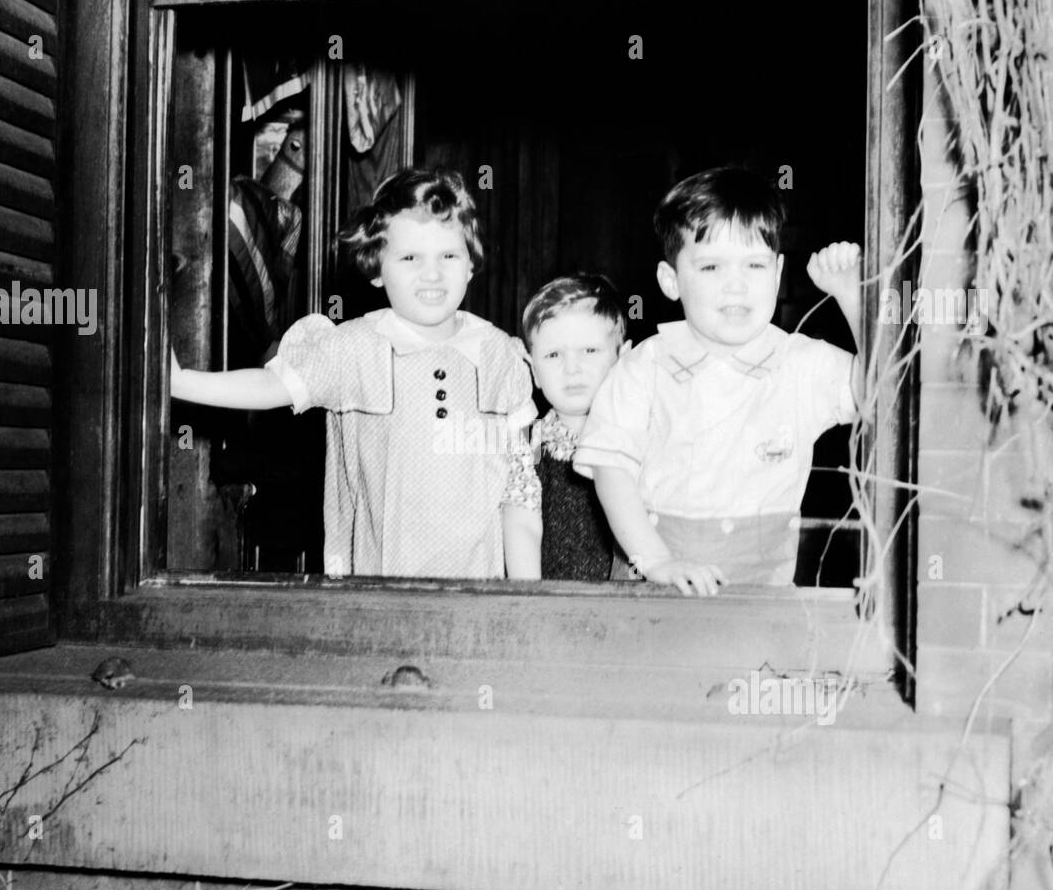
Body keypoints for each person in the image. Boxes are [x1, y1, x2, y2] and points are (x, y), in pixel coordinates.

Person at [171, 167, 542, 579]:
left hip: (479, 600)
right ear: (377, 267)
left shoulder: (500, 356)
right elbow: (272, 384)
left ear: (471, 263)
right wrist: (182, 380)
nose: (432, 273)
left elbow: (520, 495)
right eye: (410, 257)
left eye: (448, 255)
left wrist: (529, 600)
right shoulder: (355, 347)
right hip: (381, 592)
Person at [573, 166, 863, 596]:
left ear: (779, 273)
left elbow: (882, 392)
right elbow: (611, 470)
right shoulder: (644, 367)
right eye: (710, 267)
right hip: (653, 595)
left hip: (760, 601)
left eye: (754, 265)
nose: (736, 286)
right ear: (671, 281)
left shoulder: (800, 364)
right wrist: (657, 562)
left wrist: (852, 295)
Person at [518, 274, 628, 580]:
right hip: (552, 601)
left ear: (623, 359)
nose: (572, 368)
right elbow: (521, 523)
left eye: (589, 351)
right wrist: (529, 598)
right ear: (533, 370)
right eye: (553, 355)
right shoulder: (529, 442)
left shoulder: (640, 438)